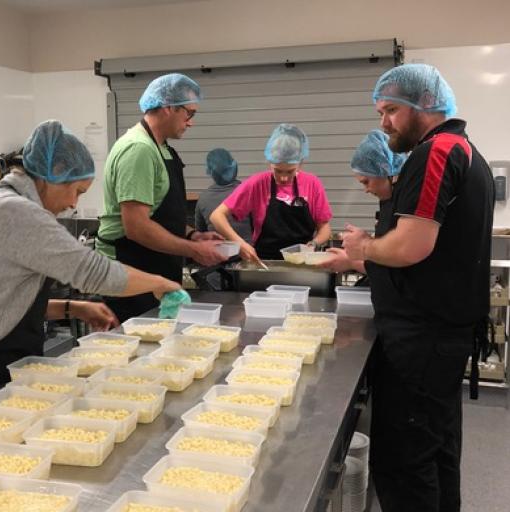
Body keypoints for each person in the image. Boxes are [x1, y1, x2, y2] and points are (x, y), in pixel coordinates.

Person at [0, 120, 181, 420]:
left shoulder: (9, 205)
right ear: (52, 177)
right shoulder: (14, 211)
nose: (73, 204)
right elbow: (93, 271)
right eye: (77, 191)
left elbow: (4, 303)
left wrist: (73, 308)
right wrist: (158, 282)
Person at [341, 64, 494, 512]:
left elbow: (411, 247)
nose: (383, 122)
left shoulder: (438, 152)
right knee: (436, 450)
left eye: (391, 110)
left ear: (424, 105)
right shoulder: (461, 150)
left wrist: (363, 247)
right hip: (437, 336)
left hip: (423, 340)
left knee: (405, 462)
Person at [96, 73, 225, 322]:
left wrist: (192, 234)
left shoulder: (161, 147)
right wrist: (194, 250)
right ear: (168, 107)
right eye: (189, 113)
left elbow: (160, 215)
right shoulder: (139, 150)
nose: (191, 122)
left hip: (152, 267)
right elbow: (137, 227)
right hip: (129, 270)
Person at [209, 123, 332, 263]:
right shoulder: (258, 183)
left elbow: (324, 227)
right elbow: (217, 216)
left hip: (302, 262)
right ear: (269, 162)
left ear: (301, 163)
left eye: (290, 171)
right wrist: (240, 243)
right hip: (265, 263)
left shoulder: (312, 183)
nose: (284, 178)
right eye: (278, 170)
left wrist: (314, 244)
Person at [320, 129, 407, 274]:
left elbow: (398, 266)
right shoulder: (389, 200)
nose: (366, 190)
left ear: (386, 171)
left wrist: (353, 261)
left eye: (366, 182)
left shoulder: (407, 206)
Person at [194, 148, 252, 244]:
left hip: (217, 256)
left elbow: (200, 235)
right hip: (247, 254)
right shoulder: (248, 192)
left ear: (209, 171)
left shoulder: (203, 199)